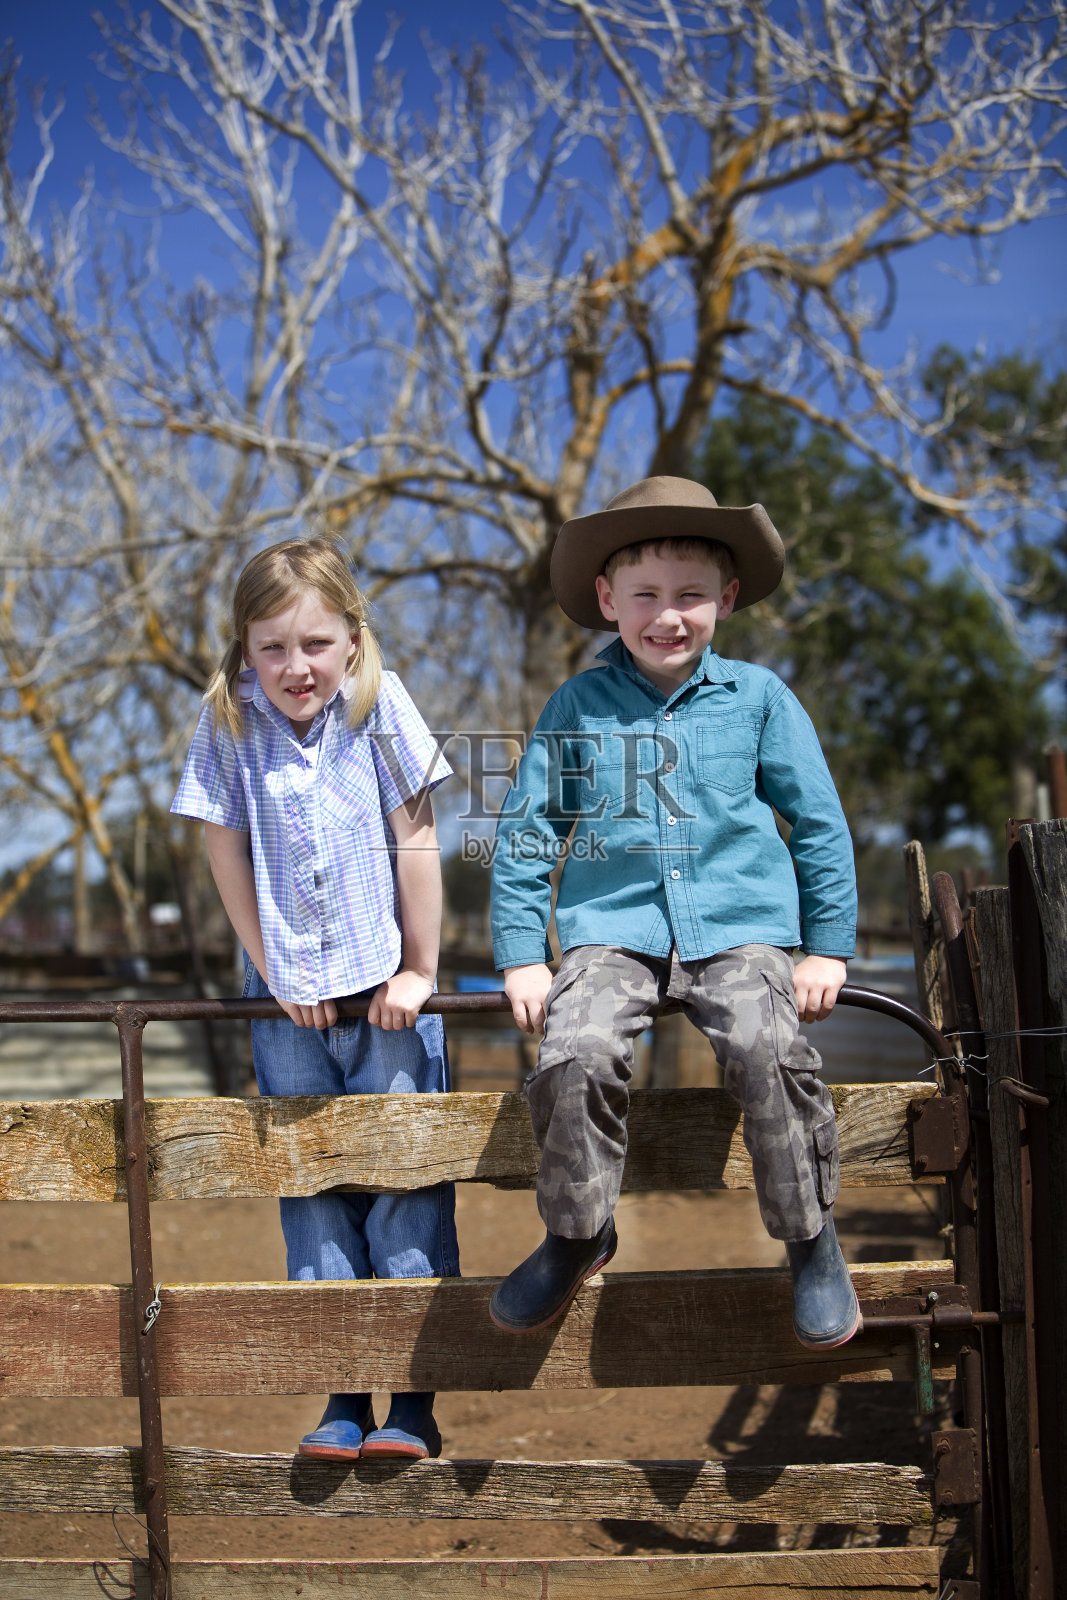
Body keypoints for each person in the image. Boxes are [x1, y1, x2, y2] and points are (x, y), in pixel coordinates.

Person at [489, 476, 859, 1350]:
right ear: (606, 599)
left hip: (739, 930)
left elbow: (816, 823)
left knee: (767, 1046)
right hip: (612, 932)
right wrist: (521, 953)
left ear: (724, 600)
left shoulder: (759, 699)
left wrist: (826, 948)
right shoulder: (576, 708)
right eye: (644, 595)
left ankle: (810, 1238)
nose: (667, 615)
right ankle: (578, 1232)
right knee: (575, 1050)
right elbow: (529, 834)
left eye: (689, 595)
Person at [172, 538, 457, 1461]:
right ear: (244, 649)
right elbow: (224, 851)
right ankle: (342, 1393)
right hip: (286, 993)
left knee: (404, 1177)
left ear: (351, 639)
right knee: (311, 1184)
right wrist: (273, 973)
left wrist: (419, 970)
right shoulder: (227, 719)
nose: (295, 666)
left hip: (386, 985)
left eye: (315, 644)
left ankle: (411, 1401)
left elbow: (416, 836)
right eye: (272, 647)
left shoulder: (378, 702)